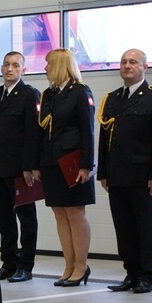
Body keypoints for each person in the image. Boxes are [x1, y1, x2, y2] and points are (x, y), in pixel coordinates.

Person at [33, 48, 95, 287]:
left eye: (49, 63)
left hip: (72, 161)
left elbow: (87, 131)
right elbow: (42, 130)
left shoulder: (79, 92)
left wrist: (86, 165)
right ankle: (68, 265)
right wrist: (37, 163)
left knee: (75, 213)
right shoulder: (48, 94)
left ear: (60, 65)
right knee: (59, 213)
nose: (46, 67)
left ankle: (81, 265)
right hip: (50, 161)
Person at [97, 49, 152, 294]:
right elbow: (104, 137)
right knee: (124, 227)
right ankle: (131, 272)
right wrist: (104, 172)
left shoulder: (149, 97)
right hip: (117, 175)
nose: (127, 66)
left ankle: (148, 275)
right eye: (123, 62)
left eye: (132, 62)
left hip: (143, 176)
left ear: (145, 67)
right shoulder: (112, 98)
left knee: (146, 226)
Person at [0, 51, 41, 282]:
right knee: (4, 218)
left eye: (15, 65)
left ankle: (25, 265)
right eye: (6, 64)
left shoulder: (29, 95)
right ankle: (9, 262)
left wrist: (29, 166)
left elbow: (32, 134)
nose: (9, 69)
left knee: (27, 219)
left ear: (23, 70)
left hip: (19, 168)